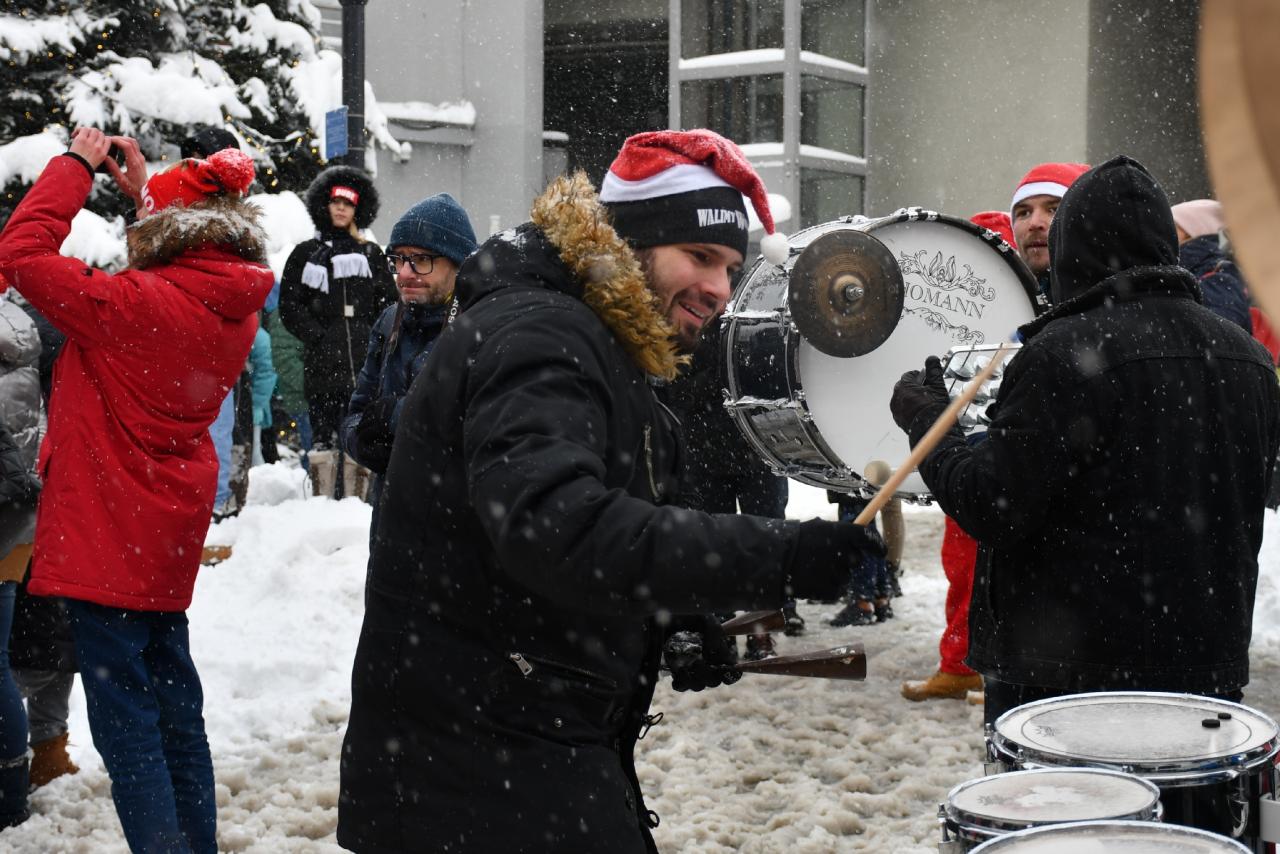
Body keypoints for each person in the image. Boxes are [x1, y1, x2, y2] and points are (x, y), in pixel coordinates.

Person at [337, 129, 884, 853]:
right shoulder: (539, 336)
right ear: (634, 243)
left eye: (729, 265)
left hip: (519, 737)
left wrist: (676, 619)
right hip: (476, 762)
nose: (719, 288)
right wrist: (781, 555)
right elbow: (558, 529)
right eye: (700, 258)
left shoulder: (587, 335)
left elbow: (577, 539)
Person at [890, 156, 1280, 727]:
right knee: (1180, 819)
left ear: (1076, 243)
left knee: (1064, 819)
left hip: (1064, 679)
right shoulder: (1247, 357)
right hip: (1205, 675)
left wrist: (931, 422)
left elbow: (993, 505)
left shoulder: (1062, 352)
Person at [0, 127, 273, 852]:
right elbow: (181, 263)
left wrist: (73, 166)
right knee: (177, 713)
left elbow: (21, 254)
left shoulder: (128, 306)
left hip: (106, 534)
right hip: (164, 533)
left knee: (127, 727)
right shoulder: (232, 306)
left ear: (163, 234)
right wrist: (149, 195)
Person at [900, 211, 1015, 703]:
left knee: (996, 573)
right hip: (964, 453)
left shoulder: (1030, 302)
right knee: (960, 565)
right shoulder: (956, 308)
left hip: (1003, 457)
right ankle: (960, 664)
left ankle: (995, 668)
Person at [341, 192, 477, 549]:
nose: (404, 273)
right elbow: (355, 414)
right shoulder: (390, 321)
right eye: (398, 259)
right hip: (389, 520)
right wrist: (365, 443)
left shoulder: (480, 326)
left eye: (421, 260)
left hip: (457, 531)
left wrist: (395, 419)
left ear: (458, 264)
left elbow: (474, 423)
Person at [662, 319, 801, 658]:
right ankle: (721, 630)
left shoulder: (758, 326)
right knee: (715, 546)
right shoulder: (684, 327)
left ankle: (761, 630)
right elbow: (674, 391)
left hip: (757, 453)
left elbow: (778, 381)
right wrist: (718, 381)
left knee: (766, 541)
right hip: (706, 456)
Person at [279, 166, 396, 497]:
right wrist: (318, 336)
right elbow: (290, 306)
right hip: (321, 368)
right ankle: (323, 503)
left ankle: (355, 506)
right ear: (325, 205)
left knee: (359, 435)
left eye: (349, 203)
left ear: (359, 208)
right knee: (323, 438)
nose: (342, 209)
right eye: (336, 202)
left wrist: (372, 339)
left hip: (364, 369)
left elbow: (389, 305)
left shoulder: (372, 255)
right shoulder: (305, 255)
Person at [1009, 162, 1090, 304]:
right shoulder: (1005, 307)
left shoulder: (1119, 303)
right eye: (1024, 212)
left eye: (1053, 209)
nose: (1034, 223)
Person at [1171, 199, 1252, 331]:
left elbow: (1218, 340)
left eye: (1172, 226)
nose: (1164, 231)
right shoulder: (1193, 274)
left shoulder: (1219, 280)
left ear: (1189, 232)